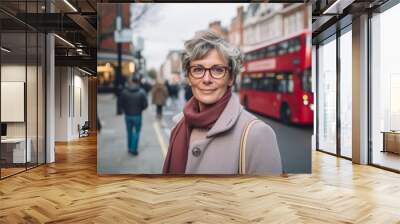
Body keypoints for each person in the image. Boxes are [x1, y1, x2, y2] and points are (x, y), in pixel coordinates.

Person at [163, 31, 282, 175]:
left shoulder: (257, 134)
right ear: (189, 77)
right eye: (198, 69)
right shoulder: (178, 125)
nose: (206, 79)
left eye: (218, 70)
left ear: (231, 78)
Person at [119, 76, 148, 156]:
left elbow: (121, 103)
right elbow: (145, 105)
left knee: (129, 132)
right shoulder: (142, 92)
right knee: (137, 132)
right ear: (138, 82)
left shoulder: (124, 91)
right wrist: (140, 109)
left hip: (128, 115)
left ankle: (129, 148)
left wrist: (125, 110)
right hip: (137, 115)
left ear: (131, 81)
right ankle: (134, 149)